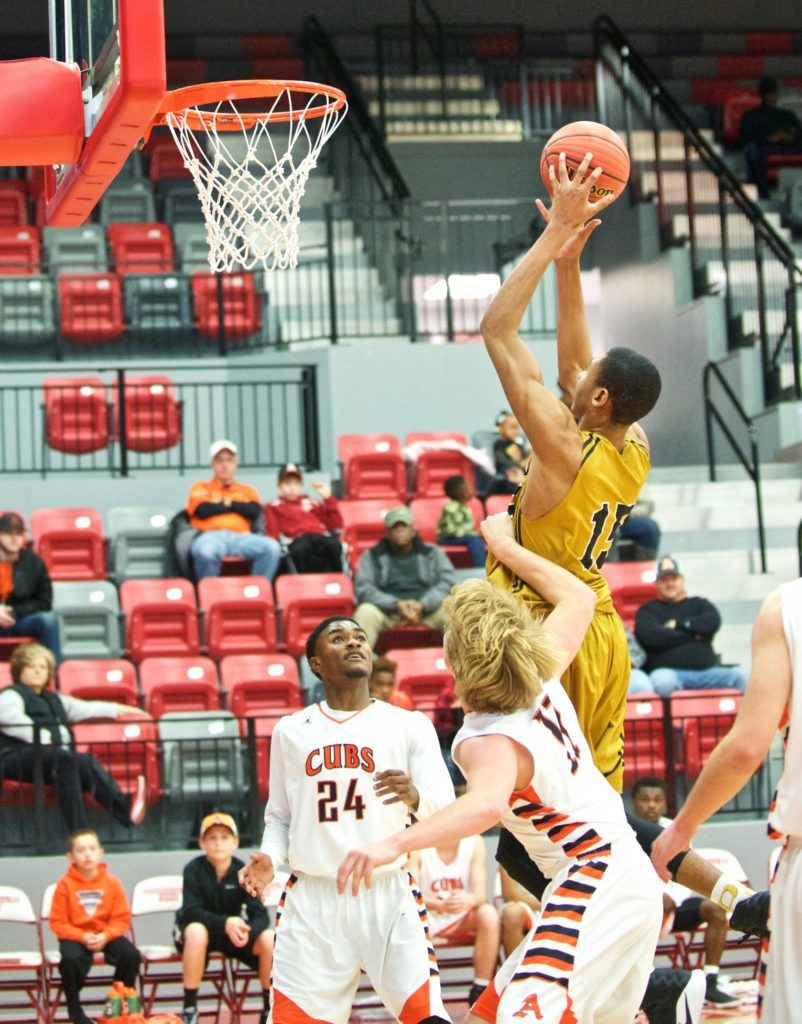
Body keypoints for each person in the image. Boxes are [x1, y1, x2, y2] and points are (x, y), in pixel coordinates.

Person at [338, 513, 670, 1024]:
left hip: (594, 880)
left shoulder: (483, 739)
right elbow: (579, 599)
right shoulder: (541, 674)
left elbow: (487, 805)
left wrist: (393, 844)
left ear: (456, 660)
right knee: (484, 1018)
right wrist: (503, 543)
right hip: (626, 880)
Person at [481, 152, 660, 793]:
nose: (578, 377)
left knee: (548, 808)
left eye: (591, 380)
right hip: (602, 630)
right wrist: (568, 265)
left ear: (602, 398)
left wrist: (553, 233)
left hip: (548, 628)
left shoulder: (562, 445)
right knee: (600, 798)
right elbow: (574, 370)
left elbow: (498, 331)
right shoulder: (632, 443)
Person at [238, 614, 455, 1024]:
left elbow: (444, 810)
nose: (354, 643)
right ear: (316, 663)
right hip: (314, 898)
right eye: (338, 639)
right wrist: (270, 857)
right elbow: (280, 817)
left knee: (428, 1017)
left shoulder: (409, 725)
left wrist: (415, 796)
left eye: (359, 637)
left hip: (388, 892)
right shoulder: (290, 730)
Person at [652, 578, 802, 1022]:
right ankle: (740, 903)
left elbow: (745, 748)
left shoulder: (787, 606)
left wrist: (682, 826)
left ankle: (739, 904)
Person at [0, 642, 147, 832]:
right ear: (19, 670)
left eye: (42, 667)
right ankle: (80, 833)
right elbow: (12, 720)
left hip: (50, 758)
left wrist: (122, 710)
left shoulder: (54, 699)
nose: (37, 671)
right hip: (14, 757)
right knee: (64, 757)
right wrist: (46, 739)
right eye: (31, 666)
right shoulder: (11, 695)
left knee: (84, 762)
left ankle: (123, 811)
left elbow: (86, 708)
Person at [631, 776, 737, 1006]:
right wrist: (654, 897)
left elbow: (686, 873)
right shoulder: (623, 830)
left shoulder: (676, 829)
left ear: (664, 804)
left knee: (715, 910)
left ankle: (710, 979)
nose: (651, 805)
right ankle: (636, 989)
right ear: (633, 802)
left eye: (657, 800)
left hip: (673, 908)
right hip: (637, 909)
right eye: (645, 799)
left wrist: (673, 899)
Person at [175, 812, 273, 1024]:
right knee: (195, 931)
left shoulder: (244, 871)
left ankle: (268, 1009)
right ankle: (189, 1008)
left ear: (235, 842)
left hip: (233, 937)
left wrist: (247, 931)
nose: (218, 843)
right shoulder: (193, 869)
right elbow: (191, 912)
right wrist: (225, 923)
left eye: (224, 837)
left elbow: (260, 916)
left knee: (268, 938)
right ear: (202, 842)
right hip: (201, 935)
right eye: (212, 838)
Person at [49, 828, 141, 1024]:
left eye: (92, 848)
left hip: (105, 934)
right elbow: (58, 923)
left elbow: (121, 918)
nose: (87, 854)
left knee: (131, 954)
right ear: (70, 857)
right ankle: (75, 1011)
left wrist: (106, 935)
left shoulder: (112, 883)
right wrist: (82, 936)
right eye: (81, 850)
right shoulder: (64, 885)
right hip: (76, 936)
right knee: (70, 959)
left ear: (101, 853)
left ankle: (118, 1005)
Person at [632, 556, 748, 697]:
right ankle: (669, 720)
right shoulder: (648, 610)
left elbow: (713, 622)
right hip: (670, 674)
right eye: (664, 580)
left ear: (682, 580)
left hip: (708, 672)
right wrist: (693, 634)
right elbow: (651, 637)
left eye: (673, 579)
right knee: (662, 680)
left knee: (743, 675)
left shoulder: (700, 604)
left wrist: (677, 626)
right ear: (656, 583)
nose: (670, 584)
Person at [409, 836, 501, 1006]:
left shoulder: (475, 842)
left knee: (489, 914)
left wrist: (469, 900)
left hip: (460, 916)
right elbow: (410, 896)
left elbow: (480, 896)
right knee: (406, 919)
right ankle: (417, 996)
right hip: (427, 915)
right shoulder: (417, 843)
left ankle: (480, 988)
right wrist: (438, 905)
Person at [354, 506, 456, 650]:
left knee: (454, 611)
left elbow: (448, 582)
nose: (400, 530)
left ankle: (466, 668)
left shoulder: (432, 552)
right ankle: (357, 668)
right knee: (365, 611)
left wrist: (423, 604)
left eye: (404, 526)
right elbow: (363, 588)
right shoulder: (371, 555)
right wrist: (395, 604)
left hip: (428, 610)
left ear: (413, 530)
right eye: (395, 527)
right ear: (387, 533)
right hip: (388, 612)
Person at [187, 440, 281, 582]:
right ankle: (209, 599)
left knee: (272, 548)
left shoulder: (247, 490)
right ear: (212, 464)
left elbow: (254, 511)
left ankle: (255, 594)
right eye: (220, 461)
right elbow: (203, 510)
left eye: (229, 460)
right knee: (205, 552)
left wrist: (223, 503)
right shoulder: (200, 487)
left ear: (236, 463)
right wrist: (236, 506)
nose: (225, 465)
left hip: (242, 537)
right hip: (211, 537)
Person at [0, 511, 62, 662]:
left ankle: (52, 677)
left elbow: (45, 602)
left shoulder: (34, 563)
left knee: (48, 620)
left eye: (19, 534)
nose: (14, 539)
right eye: (8, 533)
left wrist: (15, 611)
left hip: (20, 619)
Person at [264, 463, 344, 574]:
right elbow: (272, 531)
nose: (292, 488)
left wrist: (328, 498)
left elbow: (335, 525)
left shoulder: (313, 503)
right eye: (287, 483)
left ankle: (338, 582)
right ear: (279, 486)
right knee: (301, 550)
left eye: (296, 484)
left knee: (334, 545)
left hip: (318, 536)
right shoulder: (273, 506)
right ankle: (302, 587)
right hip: (296, 539)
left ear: (301, 486)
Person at [739, 76, 802, 198]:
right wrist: (770, 139)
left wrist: (788, 138)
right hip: (764, 149)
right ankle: (764, 192)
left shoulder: (787, 116)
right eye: (768, 93)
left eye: (773, 93)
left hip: (787, 148)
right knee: (753, 152)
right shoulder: (751, 116)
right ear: (762, 95)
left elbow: (798, 136)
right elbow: (745, 139)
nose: (771, 97)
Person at [437, 476, 486, 568]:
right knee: (475, 540)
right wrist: (475, 533)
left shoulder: (465, 507)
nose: (472, 489)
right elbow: (452, 531)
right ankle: (480, 569)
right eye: (469, 488)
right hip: (448, 539)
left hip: (461, 537)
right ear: (462, 492)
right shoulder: (451, 508)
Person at [491, 412, 529, 494]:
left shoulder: (517, 444)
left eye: (517, 428)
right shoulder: (499, 444)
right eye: (513, 428)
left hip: (521, 473)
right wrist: (518, 465)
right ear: (501, 428)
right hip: (507, 475)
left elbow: (523, 459)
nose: (517, 432)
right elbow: (502, 461)